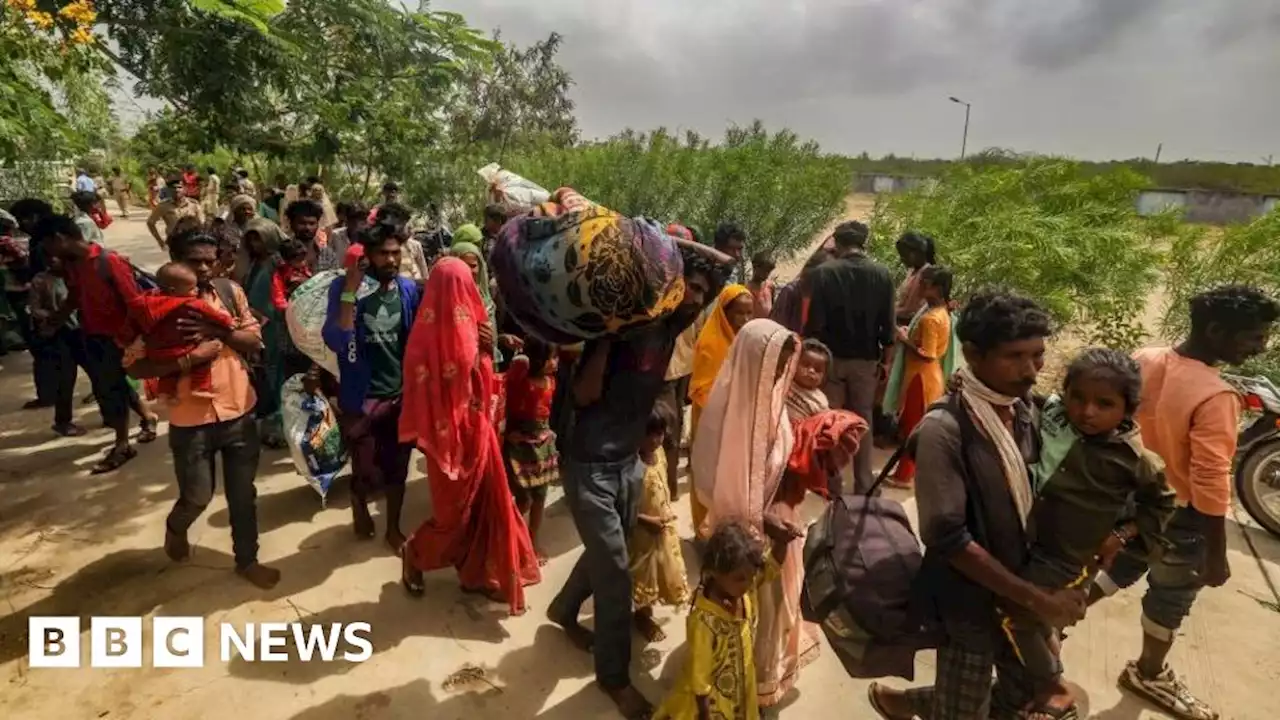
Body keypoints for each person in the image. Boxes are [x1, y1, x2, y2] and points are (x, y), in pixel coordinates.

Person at [868, 290, 1086, 720]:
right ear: (972, 354)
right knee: (964, 710)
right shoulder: (944, 430)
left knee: (1018, 696)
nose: (1030, 370)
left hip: (1022, 599)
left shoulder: (1026, 410)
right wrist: (1036, 600)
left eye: (1038, 355)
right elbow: (947, 537)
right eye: (1015, 356)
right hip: (968, 606)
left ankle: (910, 702)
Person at [547, 246, 722, 720]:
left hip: (627, 464)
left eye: (702, 294)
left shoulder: (670, 329)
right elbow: (583, 394)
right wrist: (607, 337)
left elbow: (722, 266)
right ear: (668, 287)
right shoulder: (625, 331)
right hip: (588, 466)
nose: (696, 300)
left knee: (610, 553)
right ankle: (615, 678)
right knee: (616, 570)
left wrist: (682, 252)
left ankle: (563, 610)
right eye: (690, 288)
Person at [1092, 285, 1279, 720]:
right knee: (1171, 596)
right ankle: (1148, 673)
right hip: (1183, 518)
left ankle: (1040, 631)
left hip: (1132, 503)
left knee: (1111, 571)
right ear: (1216, 331)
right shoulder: (1216, 396)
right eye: (1253, 337)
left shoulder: (1144, 358)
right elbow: (1211, 481)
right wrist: (1216, 554)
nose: (1260, 347)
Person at [996, 348, 1176, 720]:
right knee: (1028, 615)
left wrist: (1123, 536)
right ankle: (1040, 657)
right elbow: (1020, 398)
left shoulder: (1133, 458)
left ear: (1127, 410)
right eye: (1078, 397)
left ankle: (1053, 685)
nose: (1087, 411)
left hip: (1070, 556)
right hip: (1028, 540)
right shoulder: (1054, 415)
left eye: (1104, 404)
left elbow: (1162, 503)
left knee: (1017, 612)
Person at [124, 229, 278, 589]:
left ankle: (247, 559)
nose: (206, 268)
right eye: (196, 262)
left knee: (243, 494)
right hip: (189, 420)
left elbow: (254, 342)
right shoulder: (155, 308)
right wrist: (188, 360)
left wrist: (218, 330)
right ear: (174, 261)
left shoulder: (229, 293)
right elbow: (134, 366)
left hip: (239, 410)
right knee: (197, 495)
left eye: (212, 260)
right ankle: (176, 527)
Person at [398, 256, 541, 611]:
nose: (460, 300)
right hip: (445, 439)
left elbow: (488, 383)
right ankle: (414, 554)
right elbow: (423, 396)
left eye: (465, 288)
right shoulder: (421, 343)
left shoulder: (480, 329)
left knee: (487, 508)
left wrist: (488, 349)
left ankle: (480, 575)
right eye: (453, 289)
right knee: (453, 518)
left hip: (480, 432)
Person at [321, 225, 422, 550]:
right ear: (367, 256)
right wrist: (351, 290)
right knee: (367, 473)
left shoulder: (407, 291)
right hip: (360, 399)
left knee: (397, 470)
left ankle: (393, 528)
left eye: (396, 253)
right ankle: (358, 498)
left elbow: (420, 340)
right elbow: (337, 340)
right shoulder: (344, 288)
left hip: (399, 398)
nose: (391, 259)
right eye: (383, 253)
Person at [41, 214, 160, 474]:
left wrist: (131, 338)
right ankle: (147, 418)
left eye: (47, 244)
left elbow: (134, 303)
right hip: (93, 336)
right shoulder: (73, 265)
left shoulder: (108, 261)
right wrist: (57, 318)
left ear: (59, 238)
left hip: (118, 338)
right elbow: (74, 295)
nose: (47, 252)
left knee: (112, 388)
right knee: (113, 385)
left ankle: (122, 445)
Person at [653, 519, 789, 720]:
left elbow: (771, 567)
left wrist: (782, 541)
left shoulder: (744, 590)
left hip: (742, 685)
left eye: (751, 576)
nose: (748, 583)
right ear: (714, 572)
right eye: (740, 578)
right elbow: (700, 677)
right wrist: (705, 713)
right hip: (714, 700)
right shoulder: (703, 621)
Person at [803, 220, 895, 493]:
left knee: (830, 419)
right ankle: (865, 482)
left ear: (838, 243)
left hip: (830, 359)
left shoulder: (824, 273)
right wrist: (886, 361)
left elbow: (815, 322)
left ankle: (832, 482)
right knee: (863, 419)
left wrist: (811, 357)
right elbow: (887, 325)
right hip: (866, 361)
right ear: (863, 243)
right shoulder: (882, 274)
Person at [881, 265, 959, 488]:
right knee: (912, 426)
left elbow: (928, 355)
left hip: (921, 379)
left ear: (938, 288)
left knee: (912, 427)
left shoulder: (931, 319)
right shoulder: (941, 313)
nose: (921, 287)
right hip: (925, 377)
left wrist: (904, 338)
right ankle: (906, 472)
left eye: (926, 284)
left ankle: (904, 475)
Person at [687, 284, 754, 537]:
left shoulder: (740, 340)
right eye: (740, 313)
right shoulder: (711, 343)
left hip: (731, 419)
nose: (746, 319)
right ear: (725, 312)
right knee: (706, 475)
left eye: (750, 313)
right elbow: (701, 390)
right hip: (710, 422)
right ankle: (703, 531)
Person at [128, 262, 236, 401]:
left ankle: (166, 393)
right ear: (174, 290)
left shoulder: (150, 301)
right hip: (183, 348)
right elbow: (218, 316)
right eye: (192, 288)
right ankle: (200, 387)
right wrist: (228, 323)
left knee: (169, 375)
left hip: (159, 352)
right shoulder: (192, 302)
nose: (196, 290)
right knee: (205, 359)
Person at [628, 406, 689, 643]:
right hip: (641, 534)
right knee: (643, 577)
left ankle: (646, 611)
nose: (655, 440)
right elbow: (623, 507)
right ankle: (642, 616)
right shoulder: (632, 466)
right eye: (649, 434)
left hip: (662, 529)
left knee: (664, 571)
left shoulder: (660, 454)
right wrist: (645, 520)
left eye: (660, 434)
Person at [503, 336, 560, 564]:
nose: (555, 363)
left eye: (555, 357)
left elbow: (546, 414)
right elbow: (505, 404)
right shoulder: (521, 380)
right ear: (537, 359)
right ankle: (513, 542)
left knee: (540, 498)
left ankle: (531, 544)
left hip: (543, 446)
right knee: (523, 499)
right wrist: (508, 434)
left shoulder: (551, 382)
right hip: (520, 446)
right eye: (550, 358)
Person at [29, 255, 92, 437]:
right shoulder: (41, 280)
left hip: (81, 331)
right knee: (65, 379)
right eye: (49, 258)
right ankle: (63, 421)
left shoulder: (75, 275)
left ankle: (111, 413)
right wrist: (53, 316)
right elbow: (35, 309)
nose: (52, 260)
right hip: (59, 335)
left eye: (57, 257)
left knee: (98, 373)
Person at [240, 218, 288, 448]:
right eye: (250, 239)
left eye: (258, 238)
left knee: (277, 375)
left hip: (275, 326)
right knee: (266, 375)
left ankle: (280, 425)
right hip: (258, 326)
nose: (255, 244)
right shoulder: (255, 263)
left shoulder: (278, 261)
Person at [147, 178, 205, 249]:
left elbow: (202, 224)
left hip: (191, 242)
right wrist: (160, 242)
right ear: (169, 191)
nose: (176, 190)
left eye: (179, 187)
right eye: (173, 188)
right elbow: (150, 222)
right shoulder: (164, 206)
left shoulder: (194, 205)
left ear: (184, 189)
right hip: (174, 243)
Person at [894, 231, 937, 325]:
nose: (902, 259)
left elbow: (913, 309)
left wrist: (889, 312)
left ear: (918, 252)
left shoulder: (926, 273)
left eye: (905, 255)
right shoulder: (912, 272)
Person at [285, 199, 338, 272]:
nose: (307, 228)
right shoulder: (282, 256)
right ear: (291, 224)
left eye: (312, 223)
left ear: (317, 224)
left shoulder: (328, 255)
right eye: (302, 223)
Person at [787, 338, 832, 422]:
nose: (811, 371)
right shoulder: (783, 383)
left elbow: (823, 423)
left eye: (818, 370)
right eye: (805, 365)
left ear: (824, 376)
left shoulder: (820, 400)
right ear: (794, 363)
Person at [271, 238, 313, 310]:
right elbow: (279, 298)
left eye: (303, 258)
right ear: (287, 260)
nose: (303, 262)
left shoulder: (308, 266)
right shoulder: (281, 274)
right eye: (299, 260)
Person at [747, 251, 776, 320]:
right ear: (755, 267)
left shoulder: (770, 286)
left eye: (768, 271)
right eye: (764, 271)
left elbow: (772, 309)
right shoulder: (746, 289)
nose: (766, 274)